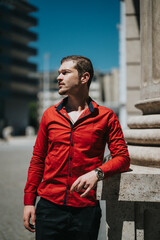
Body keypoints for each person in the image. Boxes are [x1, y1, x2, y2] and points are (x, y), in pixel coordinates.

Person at [23, 55, 130, 240]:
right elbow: (38, 159)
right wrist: (28, 202)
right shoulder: (49, 115)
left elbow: (123, 158)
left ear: (84, 77)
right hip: (49, 208)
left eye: (65, 72)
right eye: (58, 73)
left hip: (86, 211)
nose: (59, 77)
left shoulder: (106, 117)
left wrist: (97, 173)